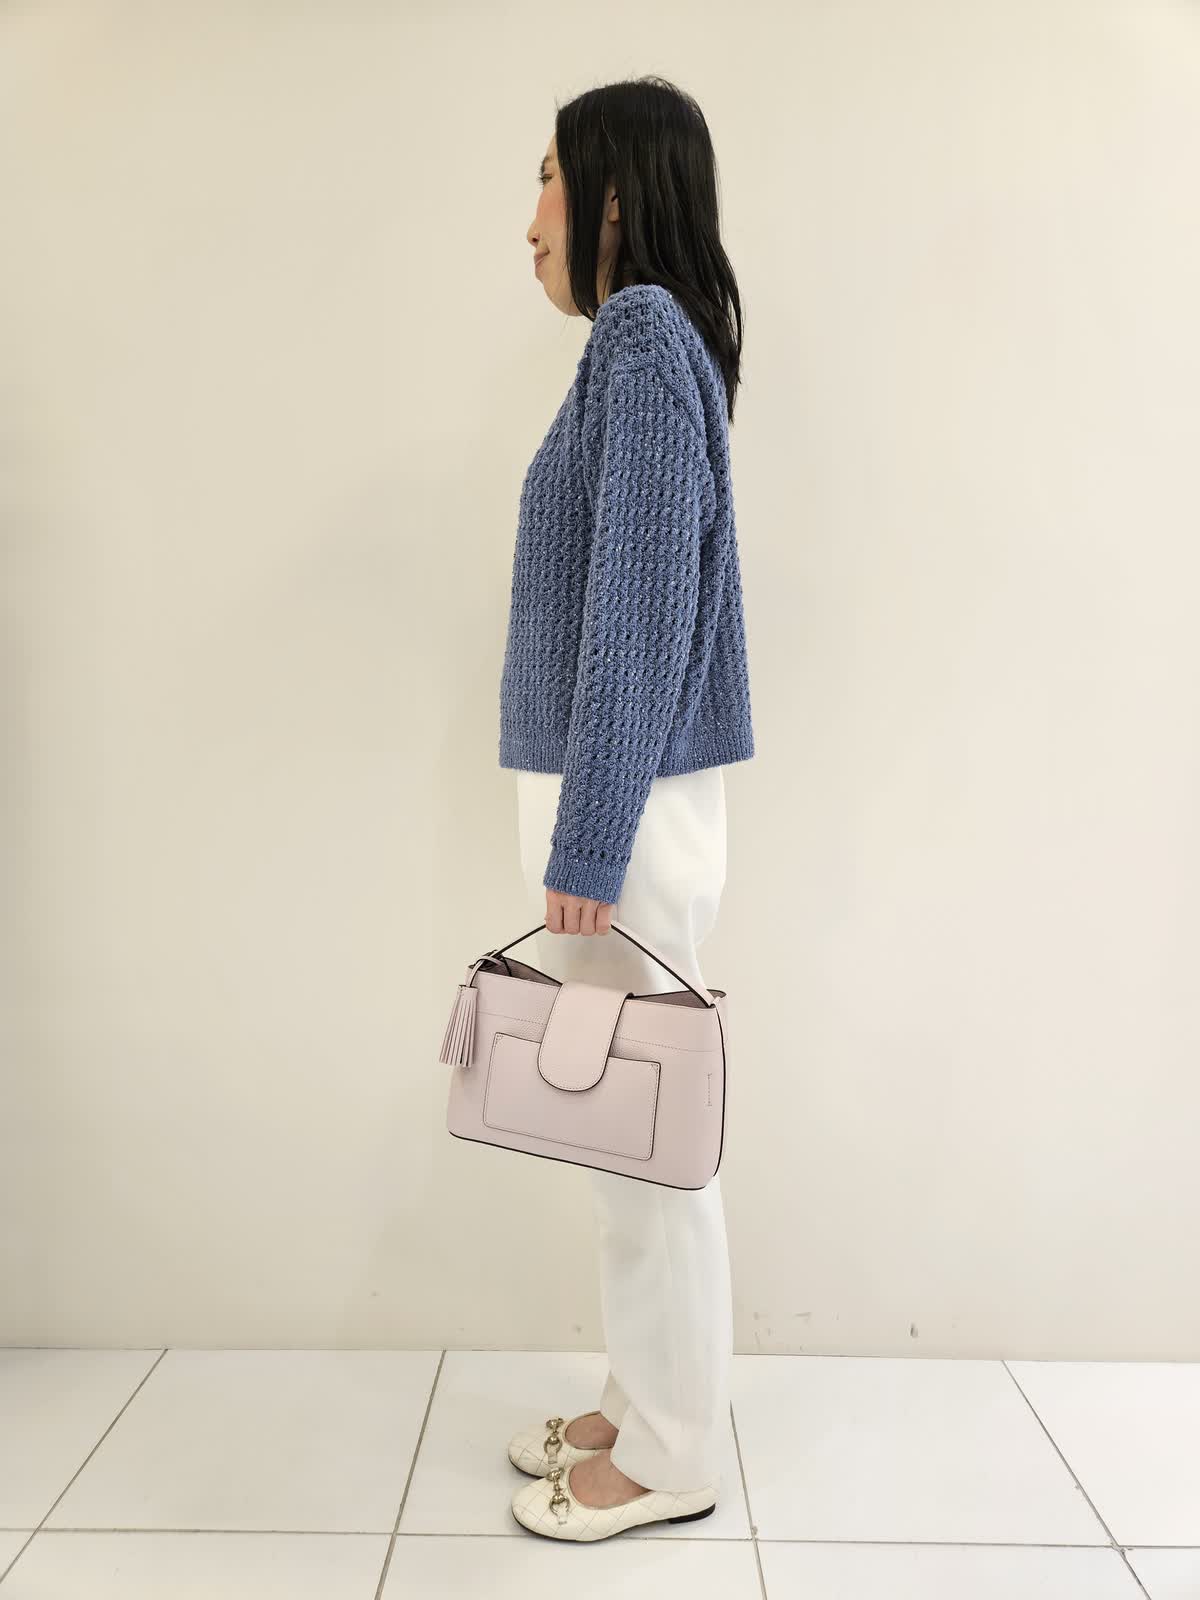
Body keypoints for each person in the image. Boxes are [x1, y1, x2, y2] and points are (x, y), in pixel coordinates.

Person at [497, 75, 756, 1542]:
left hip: (631, 811)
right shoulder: (640, 345)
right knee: (625, 1133)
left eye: (545, 181)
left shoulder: (644, 336)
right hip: (624, 800)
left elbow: (641, 612)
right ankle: (640, 1393)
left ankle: (672, 1455)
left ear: (608, 196)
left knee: (654, 1141)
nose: (527, 222)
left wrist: (590, 834)